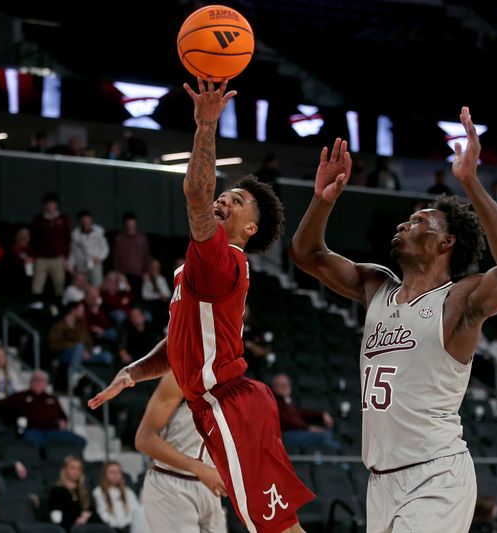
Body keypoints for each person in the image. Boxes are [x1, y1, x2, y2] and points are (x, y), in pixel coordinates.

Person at [289, 107, 497, 533]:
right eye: (407, 219)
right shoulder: (376, 286)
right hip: (381, 482)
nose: (405, 223)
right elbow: (307, 255)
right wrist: (321, 201)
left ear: (445, 242)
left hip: (435, 475)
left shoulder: (459, 300)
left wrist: (471, 183)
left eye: (420, 221)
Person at [88, 79, 312, 533]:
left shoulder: (222, 259)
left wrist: (205, 128)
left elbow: (196, 193)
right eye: (228, 193)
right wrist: (133, 373)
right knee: (275, 523)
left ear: (249, 229)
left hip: (228, 402)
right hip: (228, 402)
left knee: (271, 526)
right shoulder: (200, 267)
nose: (226, 197)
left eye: (241, 200)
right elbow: (178, 344)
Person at [135, 372, 227, 533]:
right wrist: (199, 468)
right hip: (172, 482)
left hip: (210, 485)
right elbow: (144, 439)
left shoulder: (232, 378)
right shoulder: (179, 377)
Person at [270, 374, 340, 451]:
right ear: (275, 387)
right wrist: (308, 428)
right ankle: (338, 459)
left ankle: (336, 458)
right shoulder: (275, 402)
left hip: (296, 432)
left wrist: (322, 415)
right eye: (282, 385)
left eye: (287, 384)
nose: (286, 387)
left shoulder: (286, 401)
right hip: (286, 435)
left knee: (327, 432)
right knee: (324, 435)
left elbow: (300, 414)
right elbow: (287, 422)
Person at [31, 193, 71, 297]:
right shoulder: (38, 220)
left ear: (56, 205)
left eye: (52, 204)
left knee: (59, 286)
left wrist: (65, 257)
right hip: (41, 259)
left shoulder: (63, 219)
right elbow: (34, 238)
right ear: (44, 205)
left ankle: (59, 309)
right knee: (36, 287)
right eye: (47, 204)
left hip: (57, 259)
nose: (50, 206)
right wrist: (34, 256)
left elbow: (67, 239)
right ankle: (36, 307)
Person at [92, 461, 143, 533]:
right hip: (110, 528)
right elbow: (103, 513)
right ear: (105, 474)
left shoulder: (128, 491)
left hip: (129, 527)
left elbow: (136, 510)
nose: (116, 475)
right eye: (112, 472)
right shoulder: (98, 492)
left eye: (118, 472)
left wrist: (128, 524)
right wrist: (117, 526)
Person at [48, 456, 92, 530]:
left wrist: (86, 516)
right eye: (72, 468)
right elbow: (56, 517)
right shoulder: (57, 491)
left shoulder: (85, 491)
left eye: (79, 468)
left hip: (85, 528)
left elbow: (91, 510)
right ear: (65, 470)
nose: (76, 471)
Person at [70, 210, 110, 287]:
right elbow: (73, 251)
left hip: (95, 263)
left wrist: (100, 257)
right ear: (80, 221)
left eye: (87, 220)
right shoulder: (75, 234)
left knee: (97, 285)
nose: (86, 222)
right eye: (83, 220)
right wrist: (70, 265)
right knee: (80, 285)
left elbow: (105, 248)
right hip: (81, 264)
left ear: (91, 220)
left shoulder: (99, 232)